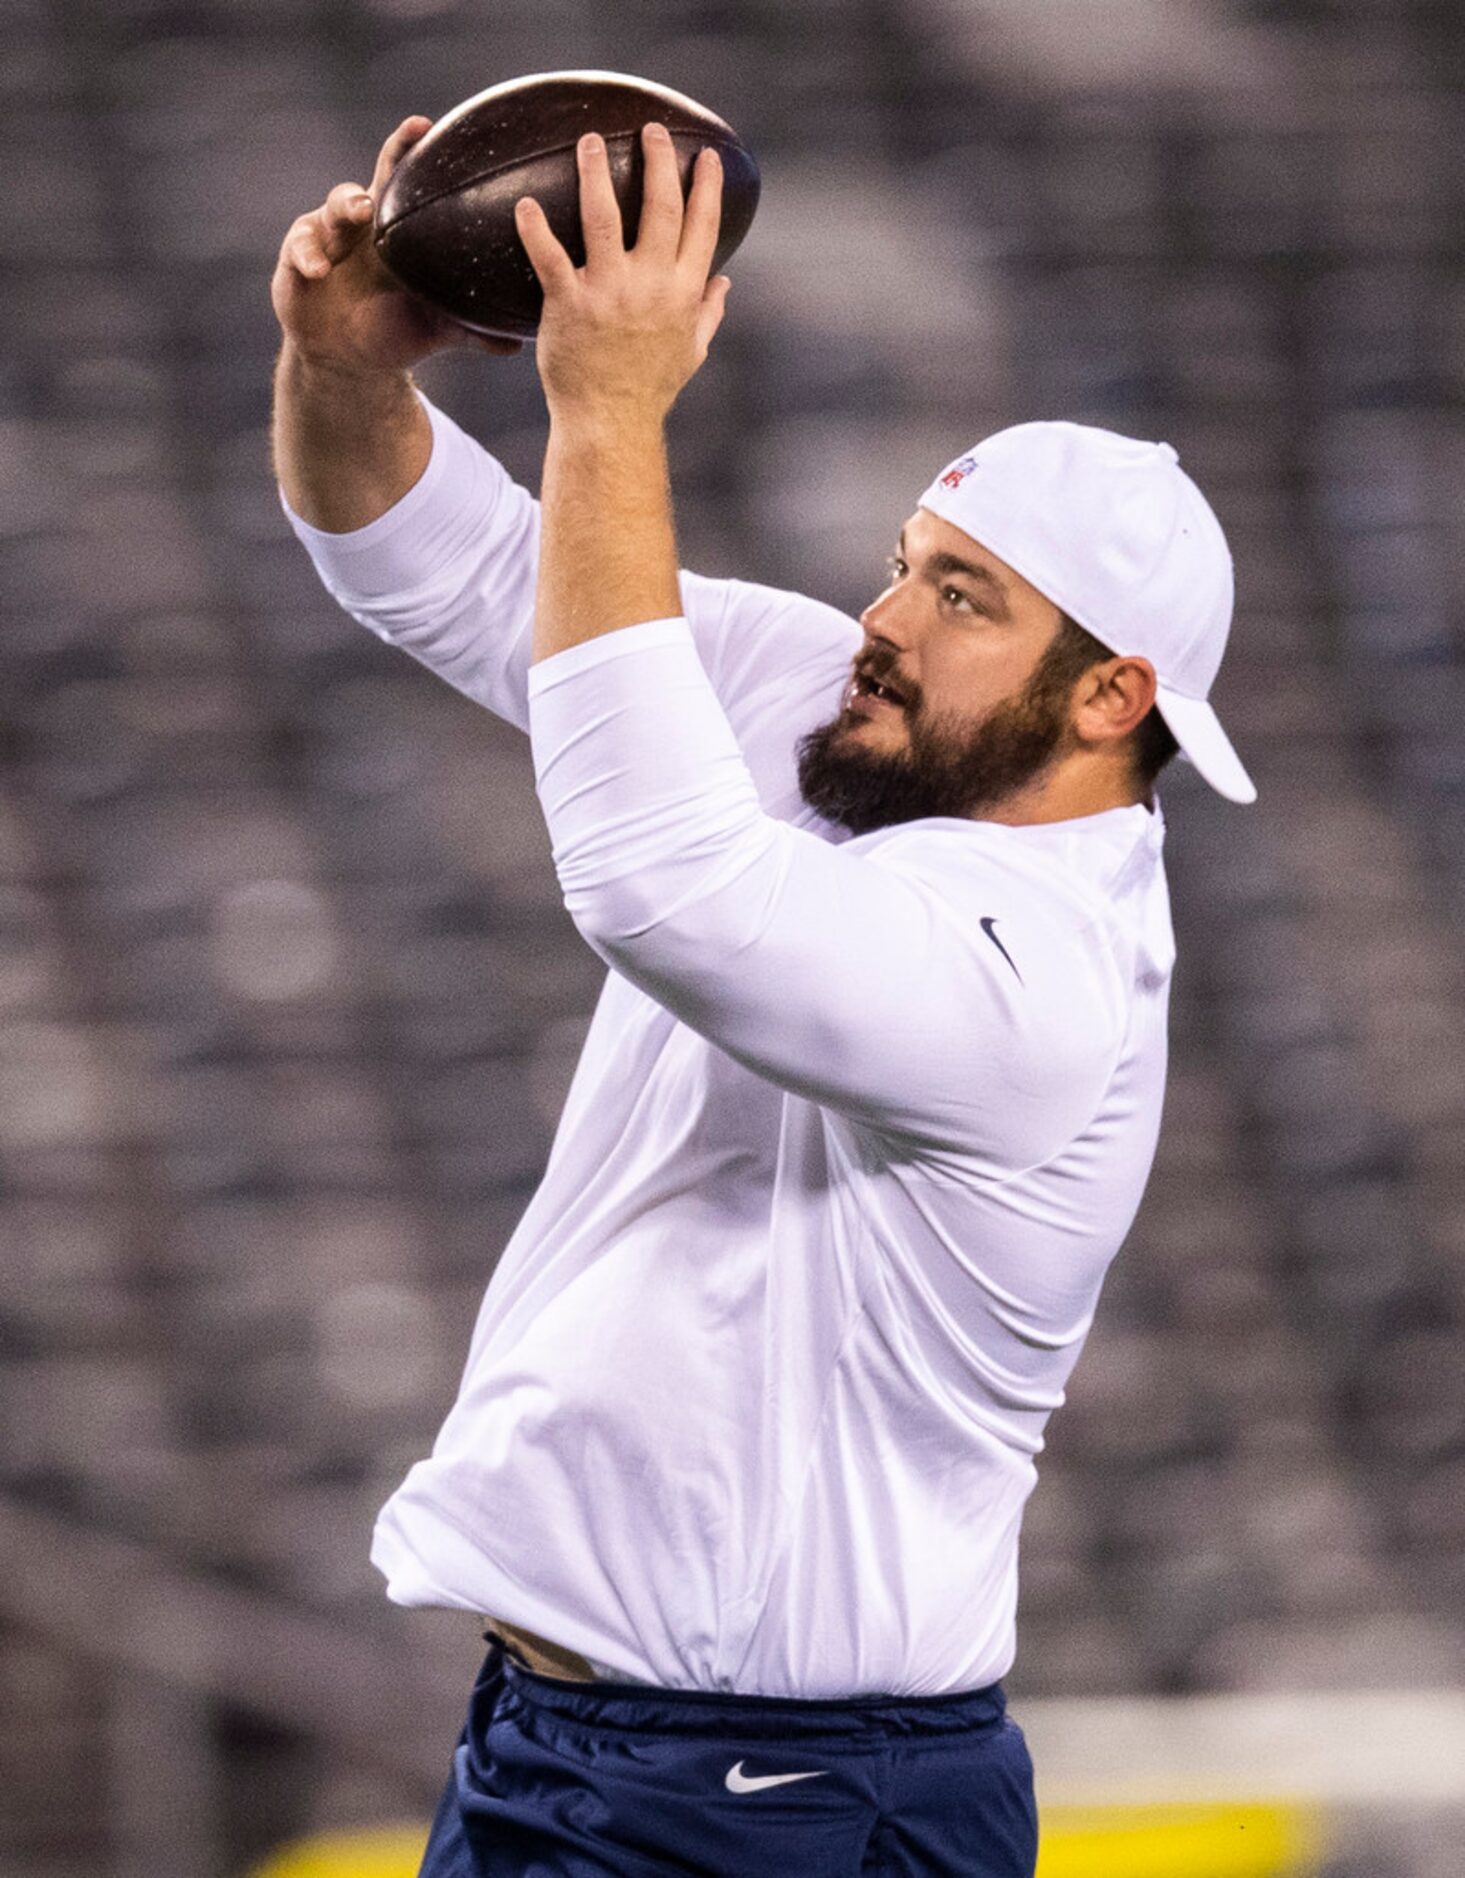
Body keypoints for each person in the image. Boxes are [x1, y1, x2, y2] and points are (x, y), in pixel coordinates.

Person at [271, 115, 1255, 1878]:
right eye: (904, 558)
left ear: (1111, 696)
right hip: (583, 1747)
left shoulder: (1045, 978)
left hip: (777, 1796)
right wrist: (340, 365)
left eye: (960, 598)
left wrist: (609, 409)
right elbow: (446, 565)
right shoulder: (848, 719)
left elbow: (660, 887)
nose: (881, 616)